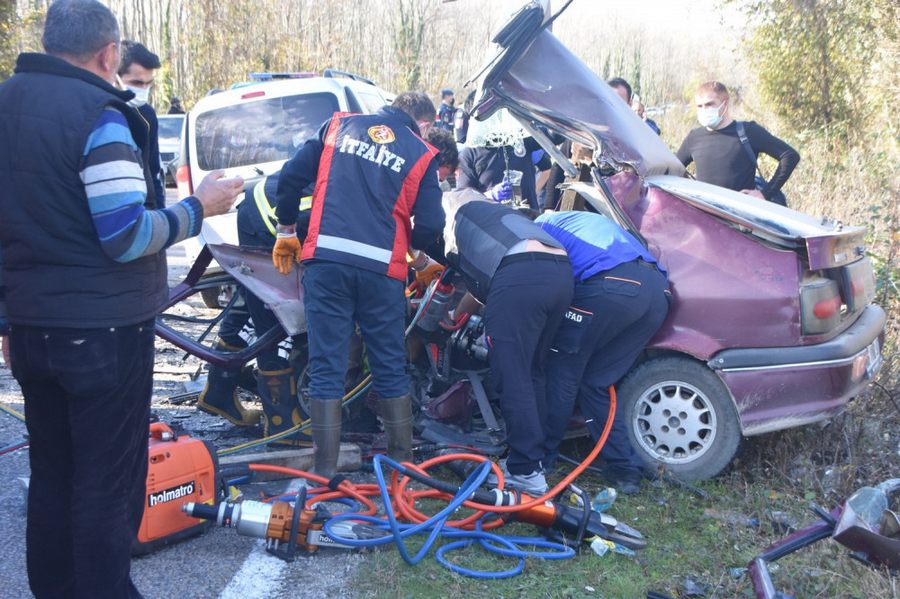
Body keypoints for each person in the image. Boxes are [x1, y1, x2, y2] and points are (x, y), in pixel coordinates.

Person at [0, 1, 243, 596]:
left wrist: (7, 320)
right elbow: (127, 235)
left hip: (31, 328)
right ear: (109, 53)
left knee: (53, 472)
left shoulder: (7, 103)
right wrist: (199, 207)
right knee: (107, 483)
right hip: (102, 334)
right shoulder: (99, 115)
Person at [272, 92, 445, 478]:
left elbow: (291, 176)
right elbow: (432, 222)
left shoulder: (338, 126)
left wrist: (286, 229)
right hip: (382, 272)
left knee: (327, 364)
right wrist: (416, 252)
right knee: (389, 364)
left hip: (326, 262)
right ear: (424, 123)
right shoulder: (420, 152)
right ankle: (402, 468)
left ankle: (324, 471)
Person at [422, 189, 573, 495]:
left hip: (519, 273)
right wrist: (458, 315)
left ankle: (524, 471)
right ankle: (536, 459)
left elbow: (428, 247)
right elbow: (482, 283)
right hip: (559, 271)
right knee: (532, 371)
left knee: (511, 374)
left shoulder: (442, 212)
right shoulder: (481, 207)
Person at [535, 211, 669, 495]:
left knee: (562, 371)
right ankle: (625, 469)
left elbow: (547, 286)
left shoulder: (539, 228)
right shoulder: (575, 220)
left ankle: (539, 459)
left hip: (613, 284)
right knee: (595, 382)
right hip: (658, 291)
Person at [197, 172, 314, 442]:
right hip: (281, 215)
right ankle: (282, 424)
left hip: (263, 202)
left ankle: (218, 392)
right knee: (280, 313)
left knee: (253, 295)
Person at [676, 80, 800, 204]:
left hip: (740, 213)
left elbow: (789, 155)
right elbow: (672, 169)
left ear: (725, 104)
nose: (704, 110)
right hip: (705, 212)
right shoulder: (694, 137)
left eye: (710, 104)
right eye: (699, 106)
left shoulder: (748, 131)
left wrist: (765, 193)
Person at [118, 40, 165, 208]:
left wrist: (161, 211)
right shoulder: (100, 112)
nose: (143, 89)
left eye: (148, 83)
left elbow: (153, 170)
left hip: (146, 207)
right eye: (137, 83)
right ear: (117, 78)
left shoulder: (147, 114)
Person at [457, 137, 551, 210]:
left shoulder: (521, 141)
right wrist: (491, 195)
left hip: (528, 216)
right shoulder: (470, 154)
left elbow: (547, 169)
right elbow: (465, 198)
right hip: (492, 220)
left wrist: (533, 192)